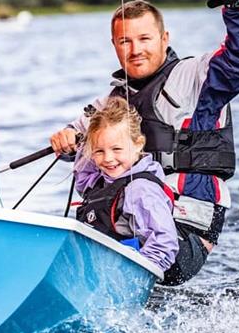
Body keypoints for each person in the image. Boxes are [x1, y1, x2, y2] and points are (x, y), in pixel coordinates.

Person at [51, 0, 239, 285]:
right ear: (114, 45)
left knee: (136, 201)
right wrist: (65, 139)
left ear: (164, 39)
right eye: (125, 41)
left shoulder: (197, 76)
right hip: (130, 225)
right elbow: (79, 135)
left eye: (145, 39)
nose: (135, 49)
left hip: (186, 230)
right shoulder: (110, 102)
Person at [74, 97, 179, 274]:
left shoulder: (141, 190)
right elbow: (82, 175)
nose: (108, 158)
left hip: (126, 276)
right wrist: (82, 141)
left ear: (138, 145)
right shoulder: (99, 179)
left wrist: (134, 277)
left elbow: (165, 241)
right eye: (99, 151)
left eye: (117, 149)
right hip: (101, 269)